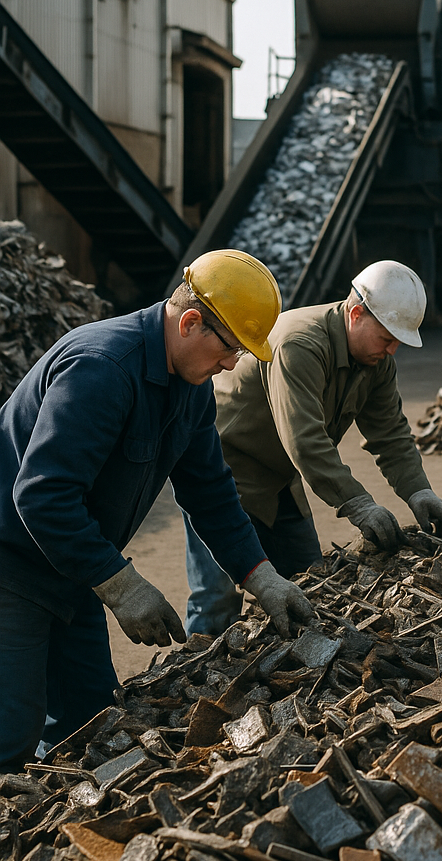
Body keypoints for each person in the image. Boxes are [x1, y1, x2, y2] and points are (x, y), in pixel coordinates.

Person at [0, 250, 314, 773]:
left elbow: (210, 490)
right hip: (11, 565)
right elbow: (41, 494)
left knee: (90, 725)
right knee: (9, 735)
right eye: (231, 348)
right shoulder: (102, 368)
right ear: (191, 322)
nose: (232, 364)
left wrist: (261, 577)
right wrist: (121, 586)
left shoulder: (189, 389)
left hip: (70, 571)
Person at [184, 260, 442, 637]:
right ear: (356, 314)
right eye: (387, 338)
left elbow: (390, 432)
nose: (392, 350)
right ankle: (195, 683)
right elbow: (305, 440)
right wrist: (358, 504)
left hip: (279, 482)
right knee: (215, 597)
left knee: (311, 582)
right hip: (222, 474)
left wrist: (418, 490)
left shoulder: (375, 361)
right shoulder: (301, 343)